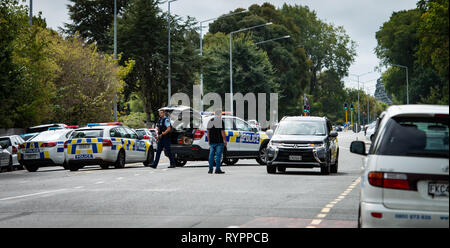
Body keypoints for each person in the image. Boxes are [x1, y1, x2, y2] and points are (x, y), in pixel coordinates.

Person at [206, 110, 227, 174]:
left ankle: (210, 169)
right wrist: (225, 140)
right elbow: (222, 132)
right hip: (219, 141)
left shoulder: (210, 120)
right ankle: (217, 169)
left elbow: (208, 132)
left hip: (212, 141)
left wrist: (209, 140)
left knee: (211, 156)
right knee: (218, 156)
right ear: (220, 114)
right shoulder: (221, 121)